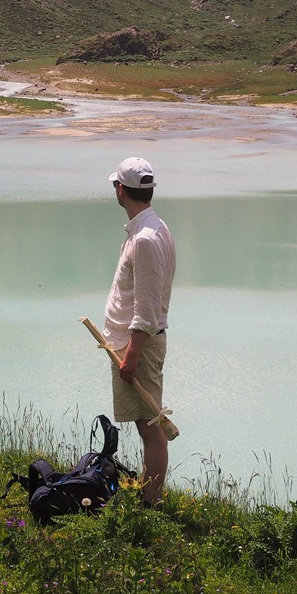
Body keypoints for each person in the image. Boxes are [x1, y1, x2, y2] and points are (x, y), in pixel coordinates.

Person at [102, 157, 176, 507]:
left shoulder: (145, 239)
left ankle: (150, 503)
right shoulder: (152, 228)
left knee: (150, 427)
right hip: (135, 344)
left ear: (121, 189)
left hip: (138, 348)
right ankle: (149, 498)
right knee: (148, 425)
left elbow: (146, 309)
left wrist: (130, 357)